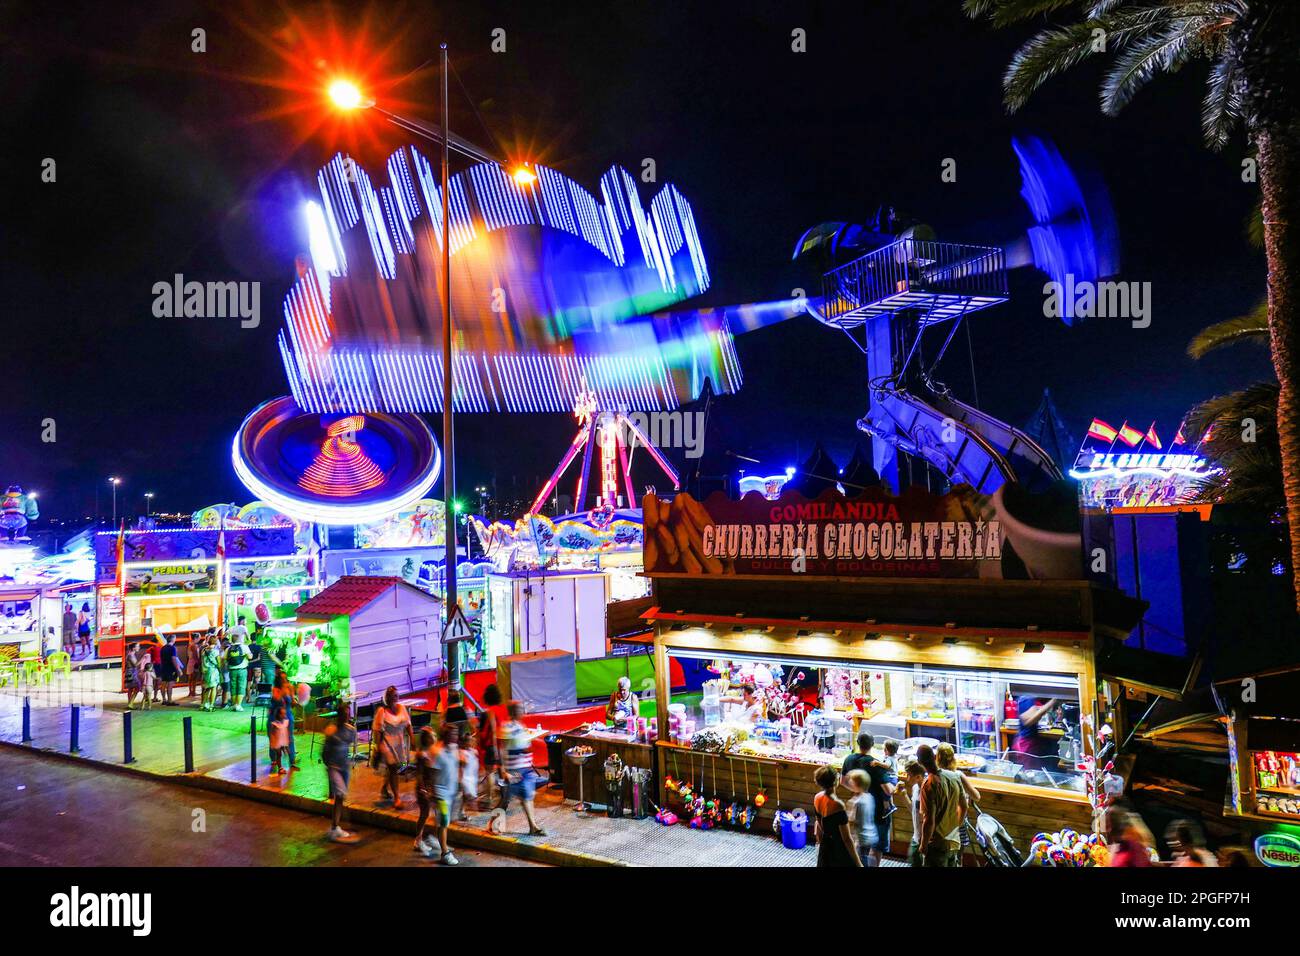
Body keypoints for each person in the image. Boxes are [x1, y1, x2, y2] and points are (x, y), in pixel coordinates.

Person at [488, 700, 546, 837]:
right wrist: (502, 770)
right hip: (513, 770)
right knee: (505, 800)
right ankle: (492, 824)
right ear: (514, 712)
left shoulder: (519, 726)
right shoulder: (506, 728)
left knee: (527, 797)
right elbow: (501, 750)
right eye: (520, 709)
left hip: (524, 769)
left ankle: (533, 826)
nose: (523, 711)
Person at [842, 732, 897, 865]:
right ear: (872, 745)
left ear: (857, 743)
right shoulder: (875, 765)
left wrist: (857, 790)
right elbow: (888, 791)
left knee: (859, 845)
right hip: (879, 811)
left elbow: (843, 782)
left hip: (859, 811)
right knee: (877, 847)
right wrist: (898, 787)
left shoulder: (848, 759)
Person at [417, 724, 462, 864]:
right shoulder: (436, 752)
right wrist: (430, 793)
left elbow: (456, 766)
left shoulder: (454, 748)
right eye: (452, 734)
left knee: (444, 821)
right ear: (445, 735)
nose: (455, 736)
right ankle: (445, 853)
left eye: (456, 733)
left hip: (451, 792)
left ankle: (428, 836)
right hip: (440, 793)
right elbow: (430, 774)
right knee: (443, 821)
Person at [917, 744, 966, 867]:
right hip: (954, 839)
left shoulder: (928, 785)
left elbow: (929, 820)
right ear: (934, 757)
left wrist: (923, 844)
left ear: (919, 762)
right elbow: (964, 806)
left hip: (937, 843)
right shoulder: (954, 776)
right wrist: (956, 825)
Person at [937, 743, 980, 865]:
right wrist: (966, 797)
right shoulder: (958, 775)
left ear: (937, 758)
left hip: (941, 823)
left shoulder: (935, 776)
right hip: (957, 820)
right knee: (958, 856)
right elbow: (976, 796)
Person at [371, 686, 413, 808]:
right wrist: (378, 747)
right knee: (393, 768)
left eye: (396, 695)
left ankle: (384, 789)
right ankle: (397, 798)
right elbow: (377, 730)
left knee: (395, 768)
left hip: (399, 743)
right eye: (392, 695)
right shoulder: (382, 712)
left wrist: (412, 739)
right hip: (386, 744)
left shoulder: (402, 709)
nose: (394, 698)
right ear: (387, 698)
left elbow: (408, 724)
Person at [813, 765, 862, 867]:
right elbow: (846, 839)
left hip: (826, 844)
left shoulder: (817, 797)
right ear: (835, 781)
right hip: (838, 847)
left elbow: (819, 823)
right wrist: (858, 863)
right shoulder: (838, 805)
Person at [322, 702, 357, 842]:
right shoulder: (331, 730)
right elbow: (324, 751)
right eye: (344, 715)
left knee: (341, 797)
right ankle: (335, 826)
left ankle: (335, 826)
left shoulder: (351, 730)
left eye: (348, 715)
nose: (346, 717)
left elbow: (349, 747)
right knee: (341, 793)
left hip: (344, 767)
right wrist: (329, 765)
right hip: (334, 767)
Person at [478, 683, 509, 806]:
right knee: (502, 771)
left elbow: (491, 731)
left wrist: (494, 748)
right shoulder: (503, 709)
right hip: (503, 745)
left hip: (492, 746)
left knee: (489, 772)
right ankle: (505, 796)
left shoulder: (487, 713)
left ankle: (489, 798)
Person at [844, 769, 879, 866]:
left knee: (858, 861)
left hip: (860, 837)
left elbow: (850, 821)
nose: (849, 782)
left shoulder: (855, 802)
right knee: (865, 856)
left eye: (851, 780)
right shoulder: (869, 796)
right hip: (871, 834)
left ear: (856, 784)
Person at [898, 760, 926, 866]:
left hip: (923, 839)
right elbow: (914, 811)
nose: (906, 778)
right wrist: (904, 795)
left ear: (918, 777)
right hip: (917, 836)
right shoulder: (915, 788)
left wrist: (923, 842)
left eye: (909, 775)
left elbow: (927, 819)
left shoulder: (925, 792)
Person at [272, 669, 300, 770]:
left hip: (288, 715)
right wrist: (285, 689)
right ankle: (276, 762)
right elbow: (277, 700)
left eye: (285, 678)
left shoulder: (289, 688)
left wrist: (294, 700)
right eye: (282, 678)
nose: (284, 680)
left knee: (290, 738)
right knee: (278, 740)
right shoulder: (276, 689)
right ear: (278, 680)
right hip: (278, 717)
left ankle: (292, 762)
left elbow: (291, 703)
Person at [267, 680, 293, 775]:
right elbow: (272, 733)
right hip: (277, 742)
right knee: (279, 754)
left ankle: (289, 762)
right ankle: (280, 767)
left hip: (283, 741)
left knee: (285, 752)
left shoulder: (285, 722)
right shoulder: (275, 724)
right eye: (283, 714)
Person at [224, 631, 251, 712]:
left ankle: (234, 704)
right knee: (241, 687)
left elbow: (225, 659)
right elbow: (250, 657)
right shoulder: (244, 647)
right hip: (242, 669)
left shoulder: (228, 649)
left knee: (233, 687)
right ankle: (238, 705)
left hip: (232, 670)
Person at [157, 634, 181, 706]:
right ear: (173, 639)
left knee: (163, 684)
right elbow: (173, 659)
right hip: (170, 668)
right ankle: (170, 700)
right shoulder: (172, 648)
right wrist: (178, 669)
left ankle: (164, 699)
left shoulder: (163, 648)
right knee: (170, 684)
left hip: (163, 667)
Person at [200, 637, 221, 711]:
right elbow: (219, 663)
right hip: (213, 671)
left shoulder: (203, 650)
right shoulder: (215, 651)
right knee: (213, 688)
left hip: (205, 671)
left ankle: (203, 704)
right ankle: (211, 705)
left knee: (206, 688)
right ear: (215, 642)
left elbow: (202, 661)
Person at [124, 643, 145, 708]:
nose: (139, 648)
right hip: (131, 673)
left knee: (130, 688)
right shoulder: (131, 655)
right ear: (133, 648)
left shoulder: (130, 655)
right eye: (137, 646)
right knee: (138, 687)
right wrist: (142, 659)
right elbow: (135, 664)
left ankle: (130, 703)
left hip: (129, 672)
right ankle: (131, 703)